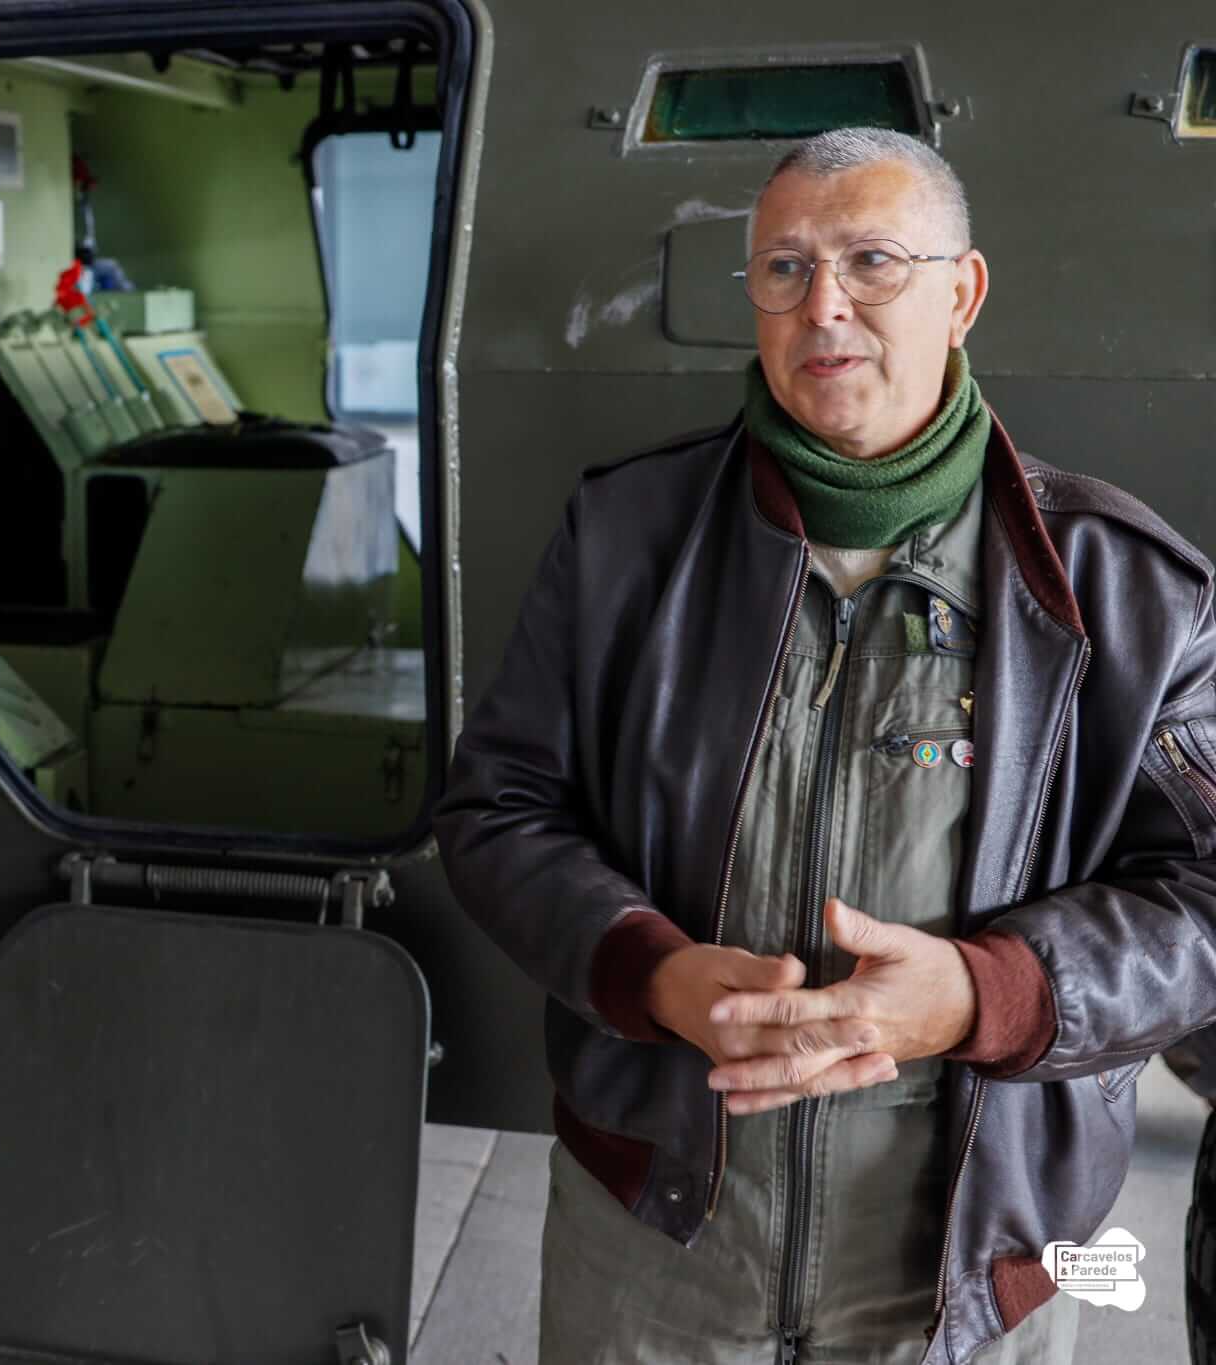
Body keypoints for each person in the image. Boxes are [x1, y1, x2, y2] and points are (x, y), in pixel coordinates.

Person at [435, 127, 1216, 1364]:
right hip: (657, 1232)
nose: (823, 305)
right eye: (784, 269)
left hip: (962, 1250)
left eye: (870, 260)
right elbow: (497, 808)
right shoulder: (621, 538)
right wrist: (652, 974)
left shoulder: (1126, 591)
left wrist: (983, 994)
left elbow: (1201, 901)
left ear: (960, 294)